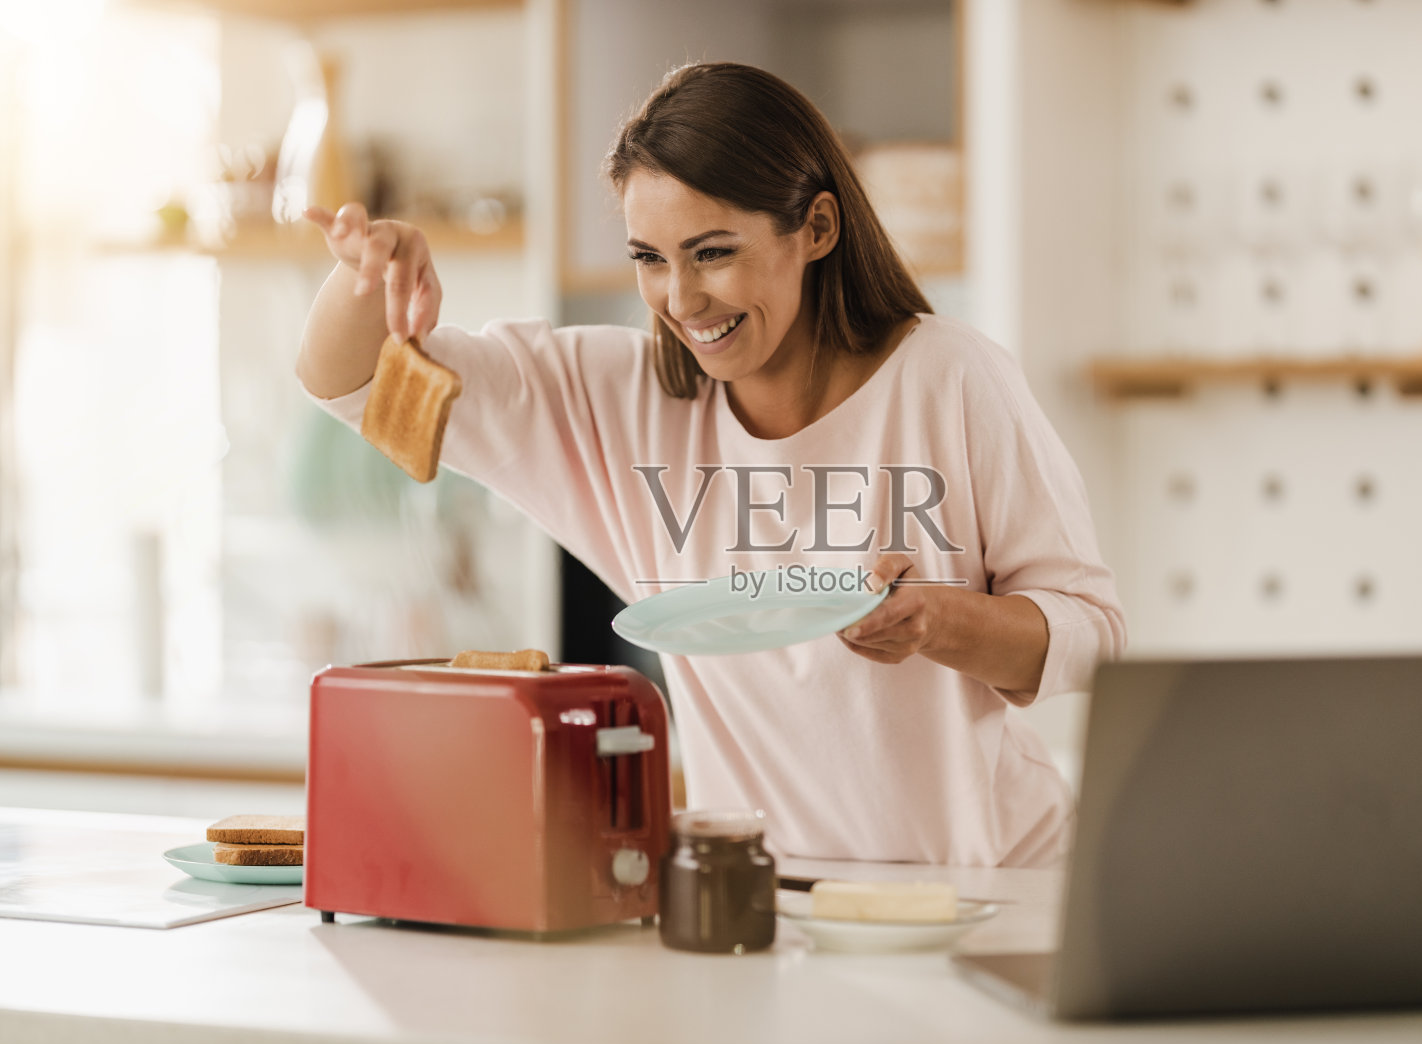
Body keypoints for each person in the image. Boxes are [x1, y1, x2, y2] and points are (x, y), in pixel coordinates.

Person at [296, 62, 1125, 868]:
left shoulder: (950, 378)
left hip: (990, 888)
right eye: (651, 258)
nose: (682, 300)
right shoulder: (617, 401)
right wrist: (366, 273)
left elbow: (1096, 638)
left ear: (819, 229)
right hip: (766, 895)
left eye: (713, 252)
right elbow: (351, 384)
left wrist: (939, 622)